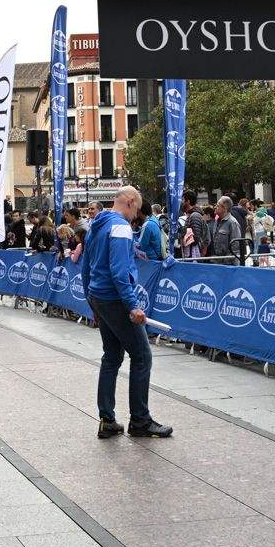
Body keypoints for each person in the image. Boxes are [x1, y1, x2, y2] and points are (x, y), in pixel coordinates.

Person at [79, 187, 171, 439]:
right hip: (115, 299)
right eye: (137, 210)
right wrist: (132, 306)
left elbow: (86, 266)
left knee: (112, 356)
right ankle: (140, 420)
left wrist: (91, 301)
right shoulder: (120, 227)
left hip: (99, 296)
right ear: (130, 202)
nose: (136, 217)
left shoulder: (96, 225)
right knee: (142, 356)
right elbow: (119, 271)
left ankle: (107, 420)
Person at [208, 197, 242, 262]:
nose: (215, 207)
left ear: (225, 208)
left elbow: (235, 246)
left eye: (218, 205)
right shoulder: (217, 221)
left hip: (228, 264)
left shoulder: (232, 222)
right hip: (217, 262)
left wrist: (225, 261)